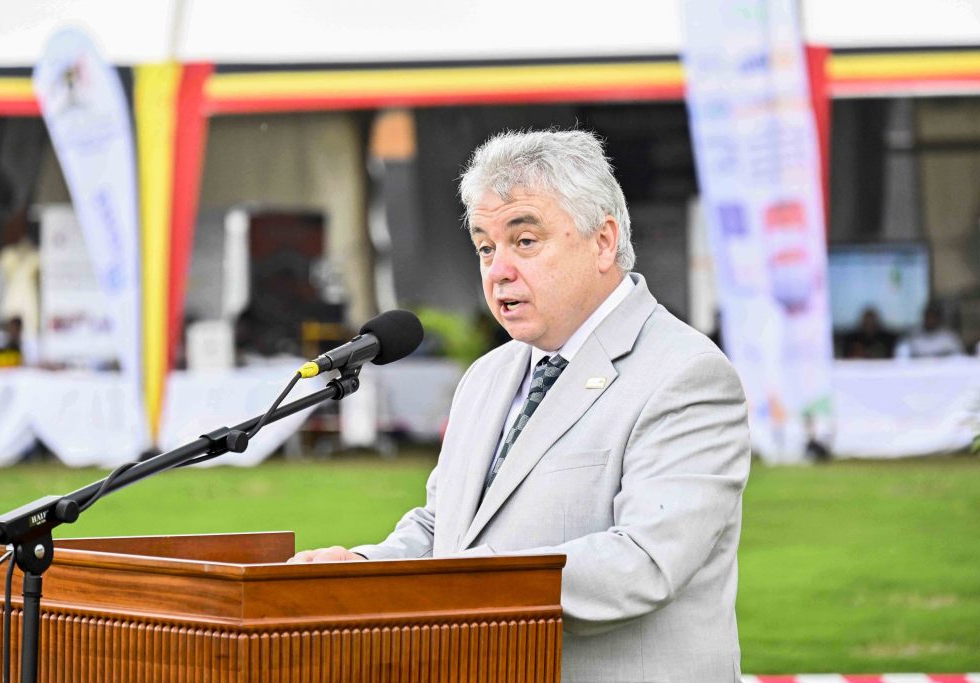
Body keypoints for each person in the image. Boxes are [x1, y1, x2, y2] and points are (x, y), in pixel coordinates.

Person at [291, 130, 751, 682]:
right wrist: (367, 570)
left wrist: (457, 582)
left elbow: (643, 563)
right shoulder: (489, 375)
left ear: (603, 241)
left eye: (524, 240)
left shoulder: (685, 374)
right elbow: (448, 526)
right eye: (485, 246)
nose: (498, 269)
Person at [895, 301, 964, 359]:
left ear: (939, 319)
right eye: (928, 317)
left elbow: (959, 358)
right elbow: (901, 356)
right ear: (924, 318)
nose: (930, 320)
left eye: (933, 317)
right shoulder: (913, 338)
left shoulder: (949, 338)